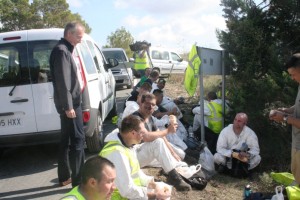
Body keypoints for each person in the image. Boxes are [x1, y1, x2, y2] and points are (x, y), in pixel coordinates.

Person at [100, 115, 174, 199]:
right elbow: (126, 191)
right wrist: (154, 195)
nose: (144, 135)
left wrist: (152, 184)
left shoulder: (127, 145)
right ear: (133, 133)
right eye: (142, 133)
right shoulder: (117, 154)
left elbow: (136, 174)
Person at [50, 22, 86, 187]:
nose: (80, 39)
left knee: (65, 140)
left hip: (68, 104)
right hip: (71, 106)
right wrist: (69, 107)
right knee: (78, 141)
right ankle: (79, 181)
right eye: (78, 36)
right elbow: (64, 82)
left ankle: (64, 177)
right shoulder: (62, 51)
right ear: (69, 34)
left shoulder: (63, 50)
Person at [269, 53, 300, 185]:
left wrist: (285, 118)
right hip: (297, 144)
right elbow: (298, 106)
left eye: (293, 74)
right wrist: (285, 110)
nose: (292, 78)